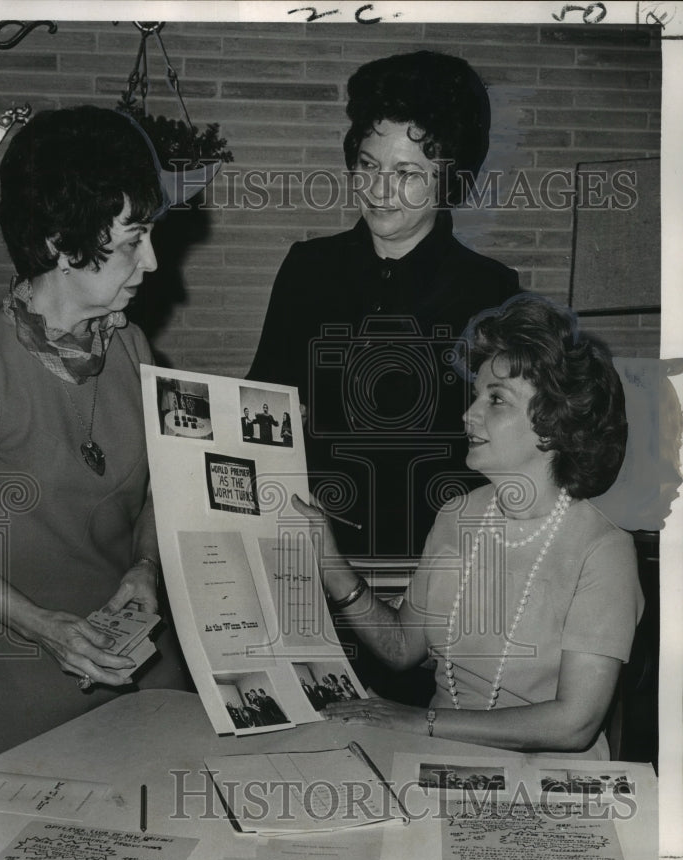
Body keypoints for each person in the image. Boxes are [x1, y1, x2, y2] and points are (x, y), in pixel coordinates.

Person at [0, 106, 206, 793]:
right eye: (134, 240)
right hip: (23, 681)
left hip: (142, 666)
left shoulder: (128, 344)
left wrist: (146, 570)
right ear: (64, 246)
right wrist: (44, 628)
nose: (154, 261)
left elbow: (159, 489)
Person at [294, 295, 644, 758]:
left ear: (554, 426)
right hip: (439, 757)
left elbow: (574, 724)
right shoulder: (456, 515)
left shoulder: (604, 549)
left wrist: (420, 722)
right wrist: (329, 561)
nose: (469, 414)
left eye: (496, 399)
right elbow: (403, 647)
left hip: (550, 779)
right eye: (477, 395)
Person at [248, 50, 519, 562]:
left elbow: (505, 448)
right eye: (369, 165)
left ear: (450, 181)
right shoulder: (308, 268)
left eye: (407, 173)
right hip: (313, 546)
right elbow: (263, 399)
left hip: (441, 554)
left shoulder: (492, 291)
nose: (377, 190)